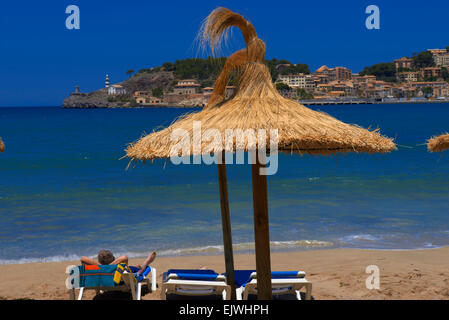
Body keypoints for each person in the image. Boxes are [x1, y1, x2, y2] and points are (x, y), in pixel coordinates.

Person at [81, 250, 156, 274]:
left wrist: (102, 266)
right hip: (121, 275)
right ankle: (145, 263)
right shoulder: (115, 268)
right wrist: (109, 267)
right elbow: (124, 257)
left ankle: (141, 265)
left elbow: (83, 258)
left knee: (134, 266)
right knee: (140, 269)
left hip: (104, 278)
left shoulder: (98, 269)